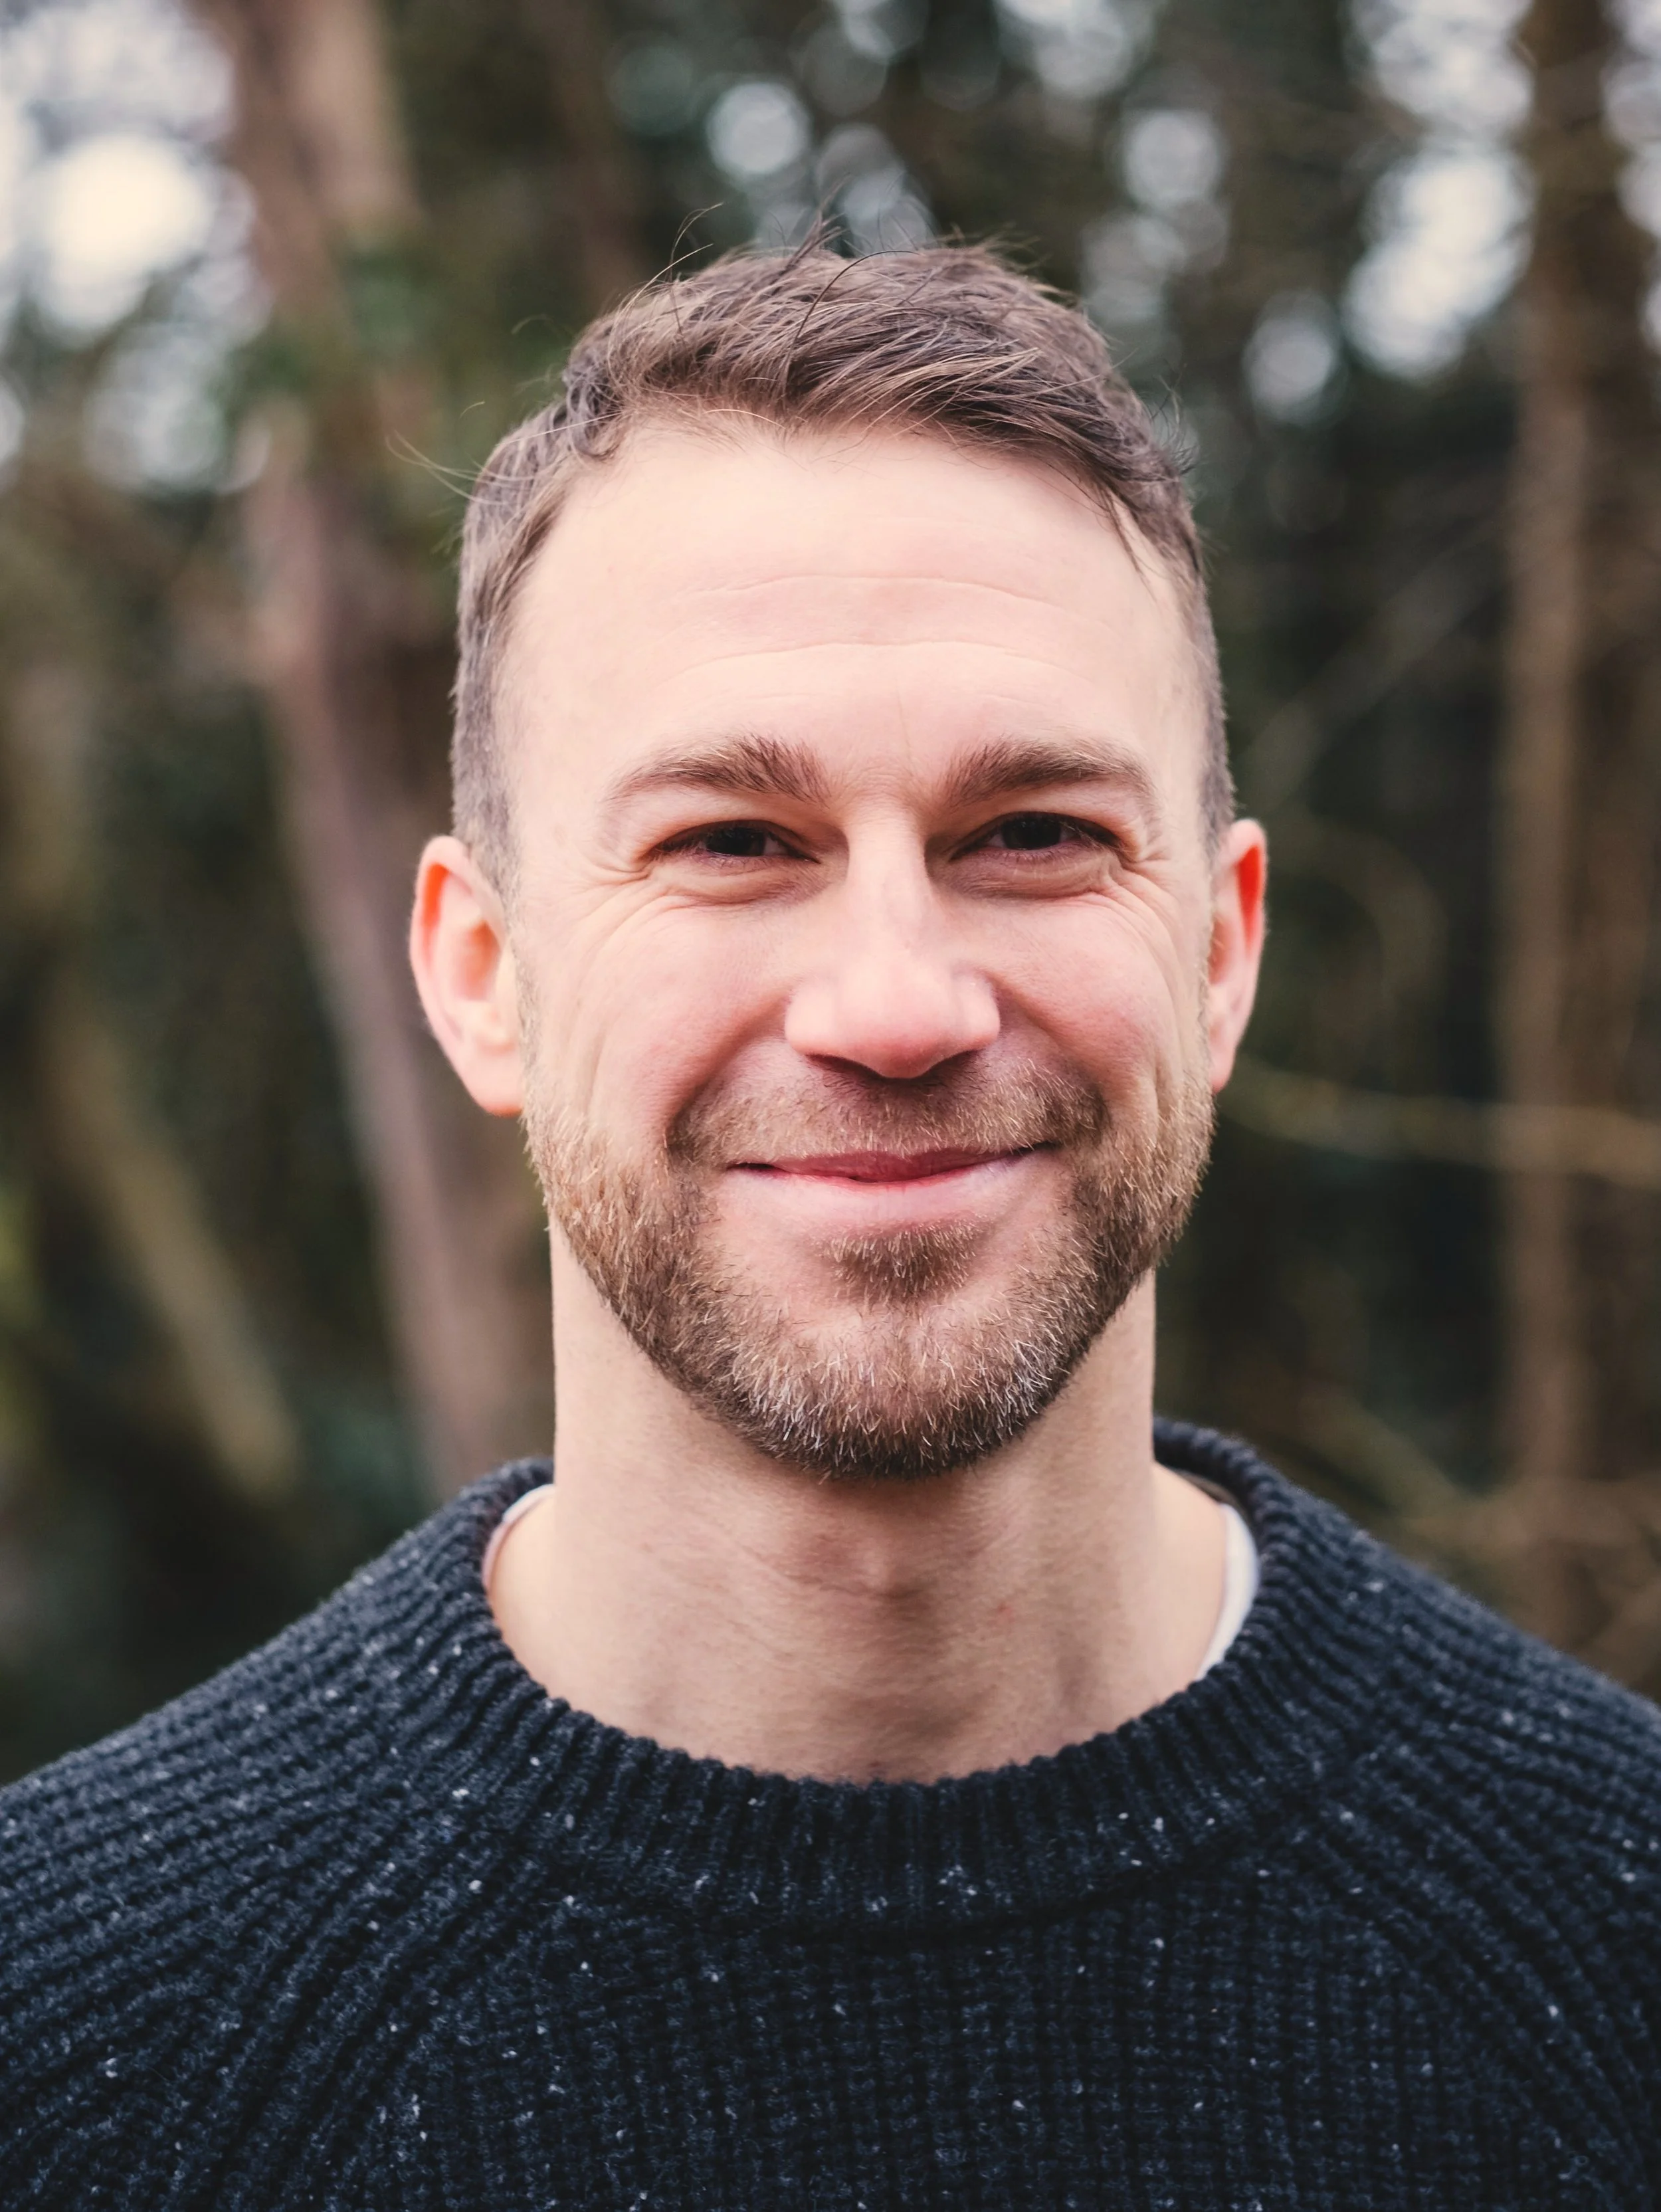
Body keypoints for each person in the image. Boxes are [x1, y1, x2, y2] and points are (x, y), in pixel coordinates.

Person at [3, 241, 1659, 2211]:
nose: (894, 1002)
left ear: (1219, 954)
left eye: (1031, 833)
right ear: (477, 974)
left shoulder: (1605, 1954)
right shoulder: (74, 2038)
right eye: (732, 844)